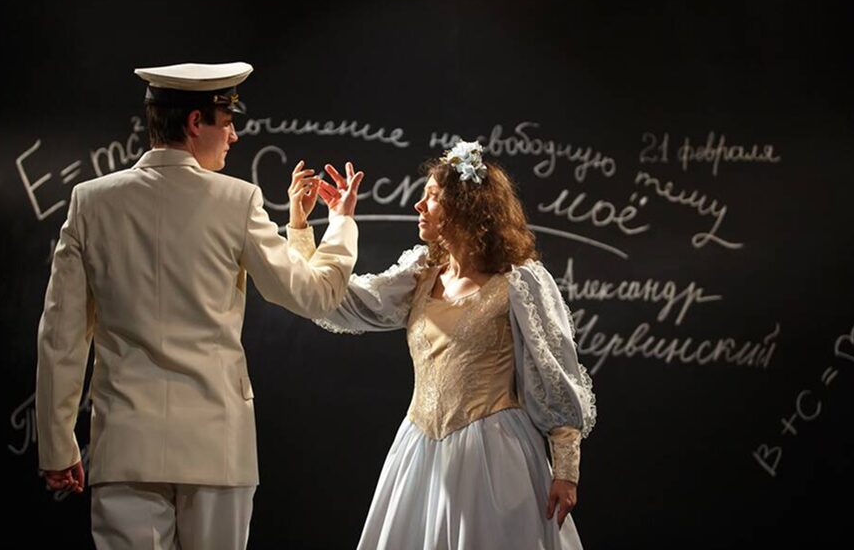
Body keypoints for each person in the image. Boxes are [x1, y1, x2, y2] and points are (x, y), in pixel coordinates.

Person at [35, 61, 364, 550]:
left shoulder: (91, 201)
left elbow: (60, 337)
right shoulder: (238, 200)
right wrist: (338, 224)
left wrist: (57, 444)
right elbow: (313, 295)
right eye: (226, 122)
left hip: (126, 447)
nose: (233, 136)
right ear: (195, 123)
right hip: (218, 447)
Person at [309, 140, 596, 550]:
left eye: (431, 197)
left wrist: (566, 470)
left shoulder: (519, 282)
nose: (418, 206)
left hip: (494, 451)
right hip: (421, 445)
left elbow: (555, 374)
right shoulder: (421, 275)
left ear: (464, 207)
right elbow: (342, 301)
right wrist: (323, 227)